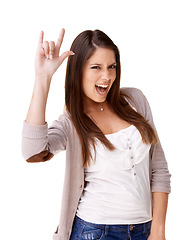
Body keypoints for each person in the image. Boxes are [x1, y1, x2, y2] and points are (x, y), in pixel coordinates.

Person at [22, 28, 171, 240]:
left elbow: (159, 169)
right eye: (96, 67)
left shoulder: (135, 100)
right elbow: (31, 151)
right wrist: (43, 77)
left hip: (144, 230)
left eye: (112, 67)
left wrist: (158, 230)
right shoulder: (70, 123)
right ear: (78, 71)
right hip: (95, 232)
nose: (107, 76)